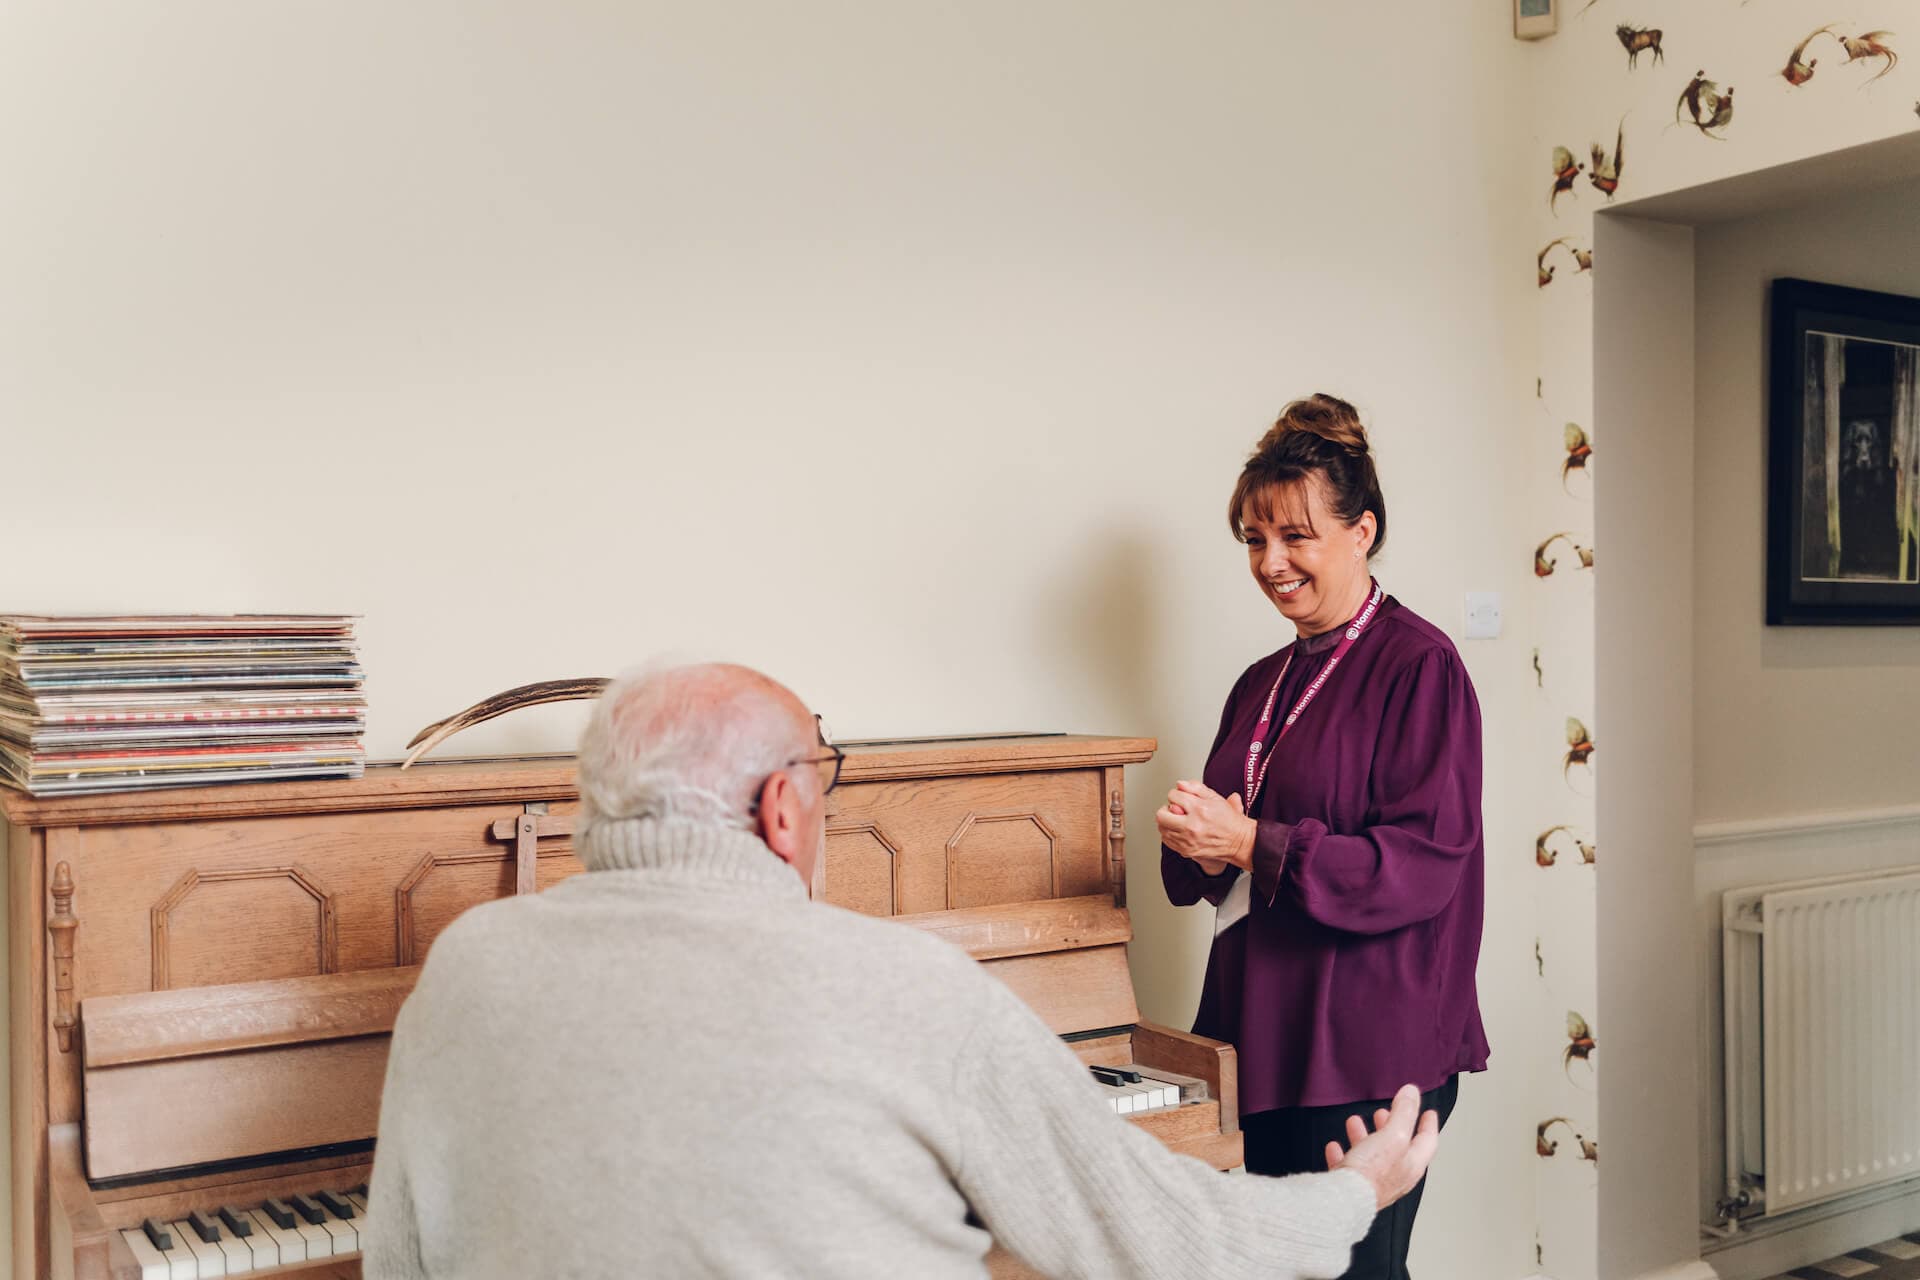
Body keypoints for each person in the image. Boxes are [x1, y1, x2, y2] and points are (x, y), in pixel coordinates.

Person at [366, 661, 1443, 1279]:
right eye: (823, 781)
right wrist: (1355, 1191)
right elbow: (1171, 1239)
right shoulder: (903, 987)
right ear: (783, 811)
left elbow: (397, 1260)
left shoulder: (465, 965)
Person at [1158, 395, 1490, 1280]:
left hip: (1367, 1048)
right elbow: (1223, 850)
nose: (1272, 563)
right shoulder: (1260, 681)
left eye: (1295, 536)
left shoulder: (1421, 667)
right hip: (1259, 1033)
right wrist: (1195, 839)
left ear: (1362, 531)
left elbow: (1420, 867)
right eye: (1255, 540)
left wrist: (1251, 843)